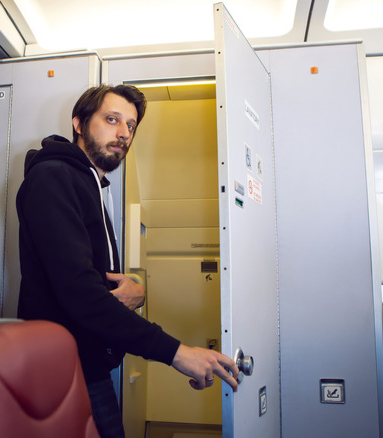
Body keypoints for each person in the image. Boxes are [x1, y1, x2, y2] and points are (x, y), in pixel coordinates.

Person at [15, 84, 239, 437]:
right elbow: (79, 292)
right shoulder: (54, 178)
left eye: (131, 125)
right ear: (79, 123)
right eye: (111, 119)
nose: (123, 133)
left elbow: (92, 277)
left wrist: (135, 291)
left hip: (88, 366)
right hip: (59, 371)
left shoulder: (91, 186)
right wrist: (177, 353)